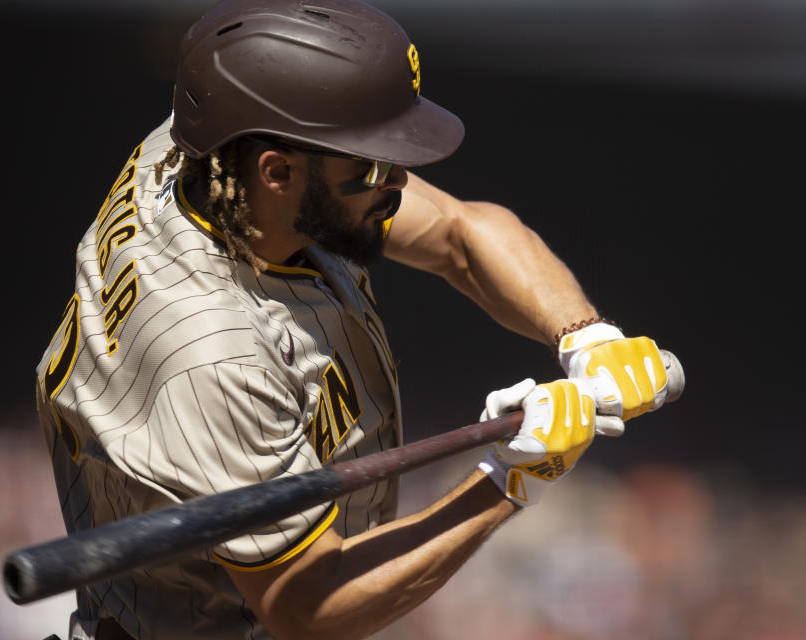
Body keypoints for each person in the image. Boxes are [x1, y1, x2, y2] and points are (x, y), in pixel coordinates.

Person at [35, 1, 675, 638]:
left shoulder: (221, 157)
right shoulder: (211, 355)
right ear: (278, 171)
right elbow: (307, 607)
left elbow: (459, 234)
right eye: (370, 163)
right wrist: (506, 482)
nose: (399, 177)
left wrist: (585, 336)